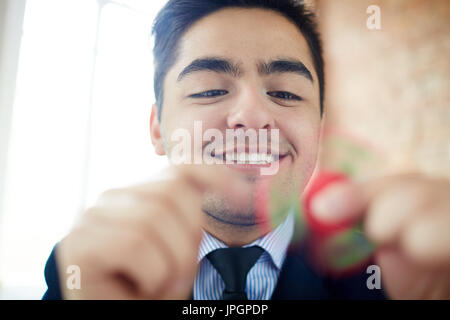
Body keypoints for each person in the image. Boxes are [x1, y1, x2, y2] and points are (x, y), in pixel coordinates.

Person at [42, 0, 450, 300]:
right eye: (211, 90)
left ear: (319, 130)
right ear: (158, 131)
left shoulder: (385, 276)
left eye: (286, 93)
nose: (253, 116)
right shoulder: (88, 273)